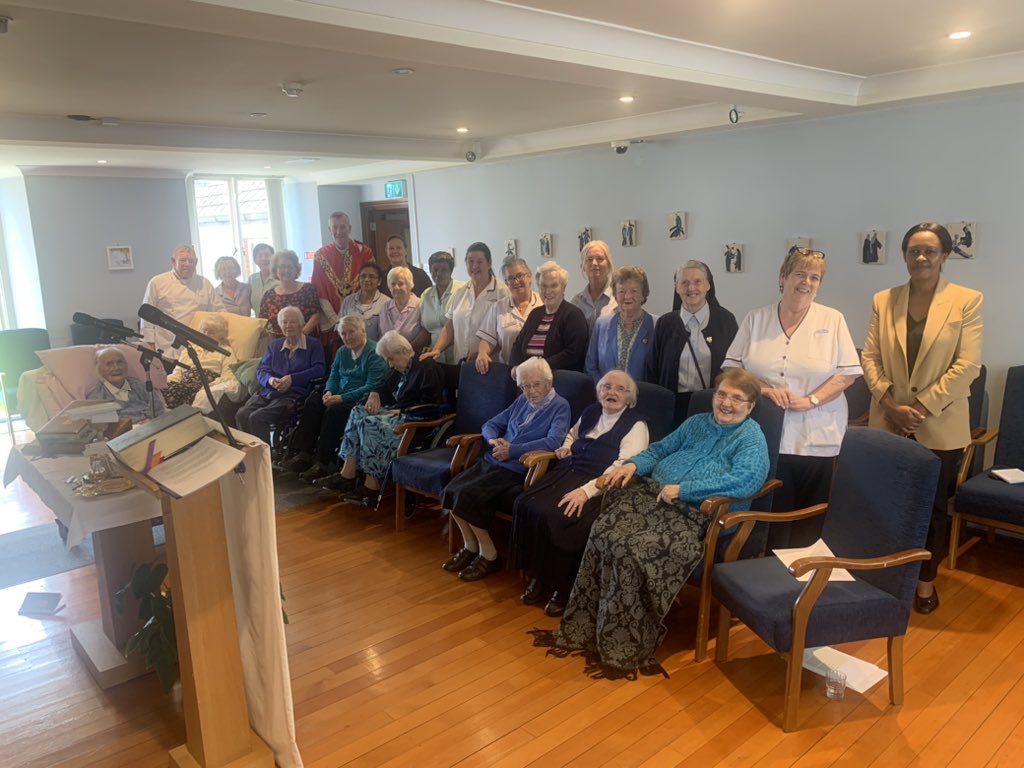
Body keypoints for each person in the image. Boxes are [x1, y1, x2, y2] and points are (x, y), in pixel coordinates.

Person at [530, 368, 769, 679]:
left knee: (632, 547)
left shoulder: (751, 438)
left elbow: (745, 481)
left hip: (699, 516)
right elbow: (658, 449)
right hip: (654, 498)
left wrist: (685, 490)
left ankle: (623, 644)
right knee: (604, 532)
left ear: (750, 406)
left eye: (737, 399)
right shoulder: (697, 423)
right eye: (722, 394)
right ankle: (590, 627)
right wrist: (633, 464)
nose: (726, 403)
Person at [861, 222, 983, 614]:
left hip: (939, 424)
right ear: (904, 255)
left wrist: (922, 408)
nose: (921, 258)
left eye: (930, 251)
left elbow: (968, 365)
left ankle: (925, 583)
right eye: (914, 250)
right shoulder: (884, 299)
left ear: (944, 255)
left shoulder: (967, 300)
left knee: (930, 509)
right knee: (885, 502)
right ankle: (883, 572)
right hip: (888, 419)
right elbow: (870, 357)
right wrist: (889, 403)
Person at [723, 247, 861, 548]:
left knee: (810, 512)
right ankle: (766, 573)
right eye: (800, 274)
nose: (806, 282)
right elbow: (731, 367)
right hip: (765, 431)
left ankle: (803, 575)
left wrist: (810, 400)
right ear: (782, 278)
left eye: (815, 277)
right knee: (770, 507)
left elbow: (848, 373)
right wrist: (763, 389)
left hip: (818, 432)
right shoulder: (755, 319)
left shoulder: (833, 319)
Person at [511, 370, 649, 616]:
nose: (612, 393)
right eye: (606, 387)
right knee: (526, 503)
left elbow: (624, 467)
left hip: (600, 485)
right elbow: (571, 435)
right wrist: (565, 449)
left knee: (562, 518)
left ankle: (563, 588)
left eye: (620, 389)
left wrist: (587, 492)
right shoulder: (590, 412)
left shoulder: (636, 425)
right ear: (599, 392)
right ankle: (538, 576)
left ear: (630, 398)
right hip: (569, 471)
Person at [441, 357, 570, 582]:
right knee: (450, 490)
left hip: (518, 469)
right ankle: (471, 547)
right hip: (495, 460)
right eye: (525, 386)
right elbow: (489, 425)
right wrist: (494, 442)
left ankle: (489, 555)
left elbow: (554, 441)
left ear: (548, 383)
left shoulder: (560, 406)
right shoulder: (521, 401)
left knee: (467, 495)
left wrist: (512, 450)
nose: (530, 391)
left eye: (535, 384)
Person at [328, 330, 445, 502]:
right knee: (358, 411)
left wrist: (402, 411)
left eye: (390, 359)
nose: (390, 364)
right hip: (396, 415)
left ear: (403, 351)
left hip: (415, 422)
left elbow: (433, 405)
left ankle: (372, 485)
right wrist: (374, 393)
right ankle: (348, 473)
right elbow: (383, 385)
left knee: (370, 423)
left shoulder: (427, 366)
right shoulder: (400, 367)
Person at [280, 314, 389, 482]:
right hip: (337, 394)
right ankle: (304, 455)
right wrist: (329, 391)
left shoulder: (375, 353)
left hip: (358, 400)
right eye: (343, 334)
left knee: (334, 411)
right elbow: (334, 376)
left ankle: (322, 464)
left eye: (351, 332)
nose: (347, 337)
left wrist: (341, 398)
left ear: (363, 330)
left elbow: (371, 386)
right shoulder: (342, 351)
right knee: (314, 401)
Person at [651, 260, 739, 425]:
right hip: (672, 409)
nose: (691, 288)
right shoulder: (665, 323)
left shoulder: (726, 321)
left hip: (712, 407)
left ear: (708, 286)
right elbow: (653, 369)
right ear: (676, 288)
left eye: (698, 282)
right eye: (684, 283)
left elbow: (735, 369)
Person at [235, 306, 325, 444]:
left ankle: (265, 457)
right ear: (280, 326)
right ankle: (251, 450)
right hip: (269, 391)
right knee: (241, 414)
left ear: (301, 324)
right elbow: (261, 369)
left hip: (294, 394)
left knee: (257, 417)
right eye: (284, 322)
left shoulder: (313, 345)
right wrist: (270, 380)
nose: (288, 326)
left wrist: (292, 379)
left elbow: (319, 369)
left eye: (293, 322)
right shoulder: (274, 345)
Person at [420, 243, 510, 364]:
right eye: (470, 261)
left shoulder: (502, 292)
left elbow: (506, 333)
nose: (474, 266)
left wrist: (484, 353)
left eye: (480, 261)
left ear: (489, 263)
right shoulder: (461, 292)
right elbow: (449, 327)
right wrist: (437, 349)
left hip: (490, 365)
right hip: (461, 364)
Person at [310, 211, 374, 352]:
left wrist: (354, 321)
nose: (339, 231)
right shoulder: (321, 256)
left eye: (343, 227)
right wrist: (336, 321)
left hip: (360, 319)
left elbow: (370, 287)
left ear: (349, 228)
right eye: (335, 227)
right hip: (331, 321)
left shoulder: (364, 253)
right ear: (329, 230)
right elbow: (319, 290)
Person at [141, 244, 223, 353]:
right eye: (183, 260)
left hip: (198, 345)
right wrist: (149, 342)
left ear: (196, 262)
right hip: (167, 345)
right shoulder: (157, 282)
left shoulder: (204, 283)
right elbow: (147, 315)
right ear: (173, 261)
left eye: (191, 261)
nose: (187, 264)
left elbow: (218, 311)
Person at [510, 260, 589, 373]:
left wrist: (538, 367)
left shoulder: (574, 315)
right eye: (544, 286)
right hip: (527, 379)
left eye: (554, 285)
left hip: (558, 381)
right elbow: (517, 345)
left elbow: (572, 353)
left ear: (563, 288)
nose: (548, 291)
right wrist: (514, 367)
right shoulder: (535, 314)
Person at [585, 266, 654, 383]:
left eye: (634, 291)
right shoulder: (601, 324)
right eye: (621, 291)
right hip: (606, 397)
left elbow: (660, 371)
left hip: (643, 397)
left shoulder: (656, 325)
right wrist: (605, 391)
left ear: (643, 295)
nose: (627, 296)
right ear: (615, 296)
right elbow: (590, 366)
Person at [475, 256, 541, 373]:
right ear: (506, 283)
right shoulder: (498, 307)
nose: (516, 281)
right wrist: (482, 353)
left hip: (539, 372)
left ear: (529, 277)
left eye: (520, 276)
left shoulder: (543, 303)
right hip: (509, 372)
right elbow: (487, 339)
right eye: (510, 278)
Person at [162, 314, 238, 409]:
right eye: (204, 330)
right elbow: (178, 373)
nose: (205, 334)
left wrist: (215, 383)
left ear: (220, 335)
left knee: (176, 391)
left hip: (205, 383)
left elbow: (229, 375)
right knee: (162, 390)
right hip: (184, 384)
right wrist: (165, 382)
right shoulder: (189, 348)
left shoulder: (225, 351)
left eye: (211, 332)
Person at [86, 347, 166, 423]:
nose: (116, 367)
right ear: (99, 369)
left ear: (126, 365)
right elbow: (103, 427)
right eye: (109, 364)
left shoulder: (138, 385)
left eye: (120, 362)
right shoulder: (96, 396)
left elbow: (158, 409)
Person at [258, 250, 321, 337]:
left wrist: (299, 337)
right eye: (282, 267)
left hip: (307, 342)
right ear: (275, 270)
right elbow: (261, 321)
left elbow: (316, 316)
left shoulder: (308, 289)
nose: (286, 270)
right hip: (279, 346)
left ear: (296, 269)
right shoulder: (269, 296)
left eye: (290, 266)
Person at [419, 251, 465, 365]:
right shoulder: (426, 295)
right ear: (430, 271)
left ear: (451, 271)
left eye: (444, 269)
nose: (439, 274)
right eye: (435, 269)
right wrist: (431, 347)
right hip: (435, 358)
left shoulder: (463, 290)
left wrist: (439, 347)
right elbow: (426, 329)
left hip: (458, 356)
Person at [378, 266, 429, 350]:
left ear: (409, 285)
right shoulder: (385, 307)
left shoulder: (421, 304)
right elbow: (381, 335)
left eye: (401, 284)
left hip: (415, 354)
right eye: (393, 284)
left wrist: (406, 349)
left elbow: (427, 333)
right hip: (389, 357)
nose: (396, 287)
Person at [570, 240, 617, 333]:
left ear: (609, 264)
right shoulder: (576, 302)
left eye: (599, 258)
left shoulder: (618, 298)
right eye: (589, 259)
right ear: (583, 267)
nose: (594, 263)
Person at [339, 262, 390, 342]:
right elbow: (340, 327)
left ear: (379, 281)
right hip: (352, 349)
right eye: (363, 276)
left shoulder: (387, 303)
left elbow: (388, 334)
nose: (366, 279)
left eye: (371, 276)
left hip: (377, 351)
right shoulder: (347, 301)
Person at [248, 243, 278, 316]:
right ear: (255, 260)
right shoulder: (252, 279)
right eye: (260, 256)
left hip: (279, 325)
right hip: (259, 325)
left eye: (267, 255)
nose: (263, 258)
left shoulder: (280, 278)